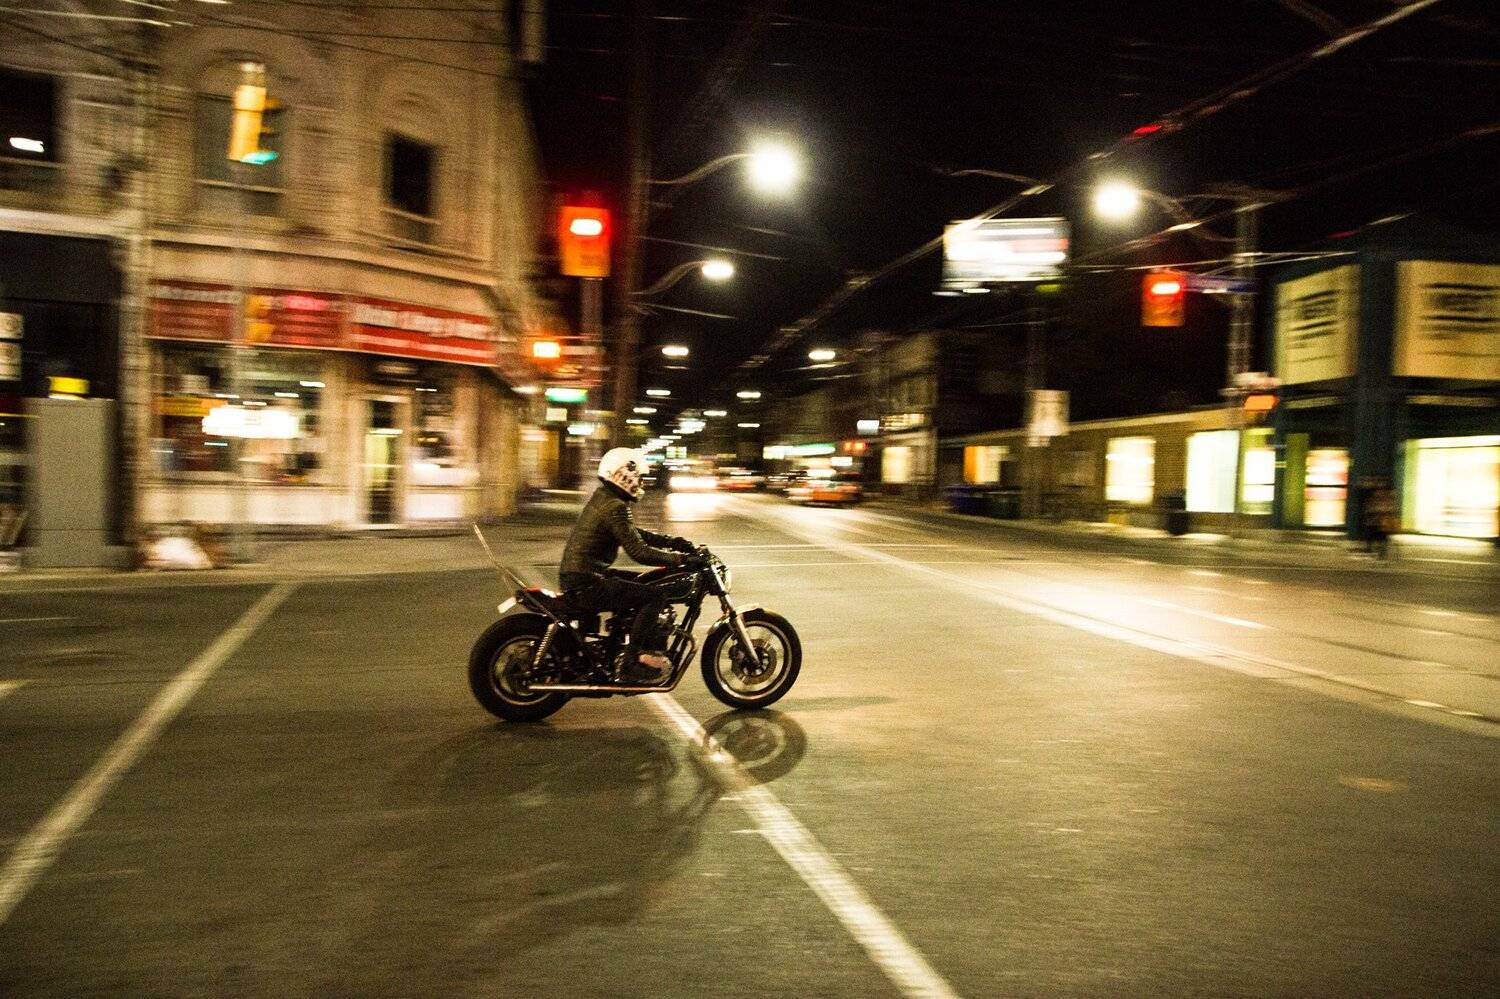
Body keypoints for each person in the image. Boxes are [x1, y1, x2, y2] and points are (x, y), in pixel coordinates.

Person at [559, 448, 700, 683]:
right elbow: (638, 551)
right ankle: (630, 662)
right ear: (624, 473)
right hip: (586, 581)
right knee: (654, 596)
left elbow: (632, 534)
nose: (641, 482)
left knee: (639, 582)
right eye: (639, 476)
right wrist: (682, 560)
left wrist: (672, 542)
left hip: (583, 575)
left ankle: (620, 643)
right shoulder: (614, 505)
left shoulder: (605, 498)